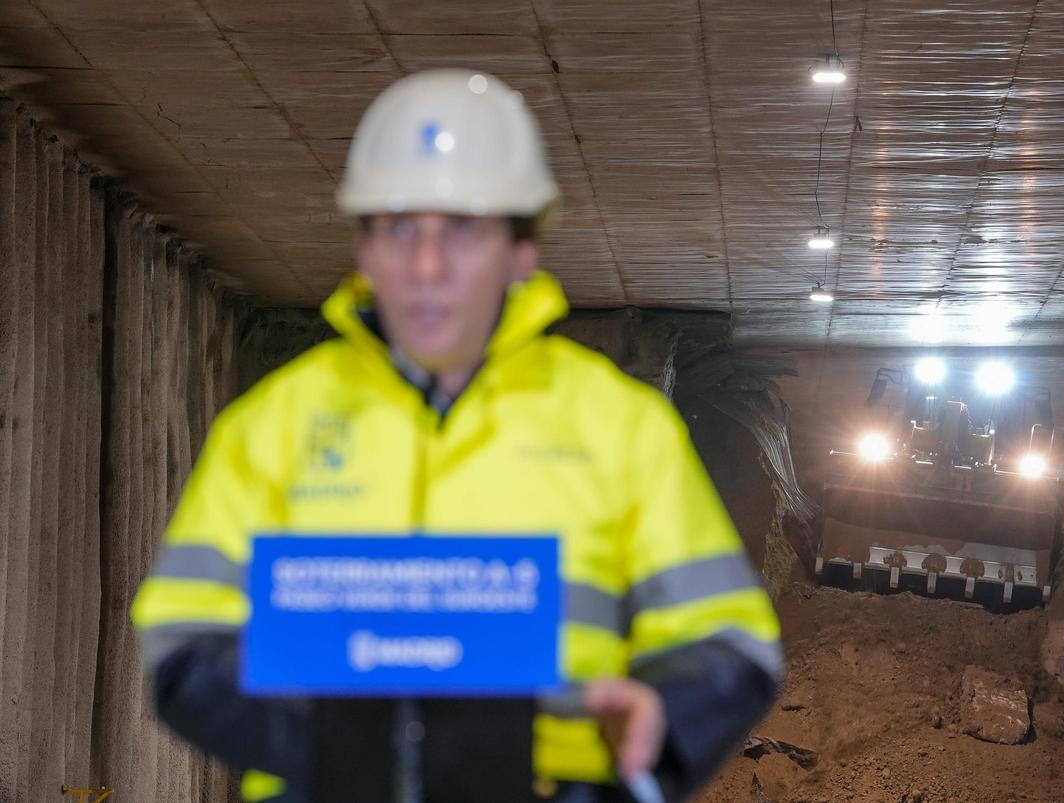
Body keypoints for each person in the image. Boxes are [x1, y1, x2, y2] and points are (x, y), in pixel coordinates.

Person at [130, 68, 781, 803]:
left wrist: (661, 722)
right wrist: (333, 751)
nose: (427, 266)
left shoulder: (620, 427)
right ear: (363, 247)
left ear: (522, 249)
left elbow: (732, 647)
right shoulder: (272, 427)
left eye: (464, 229)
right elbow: (182, 640)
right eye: (398, 227)